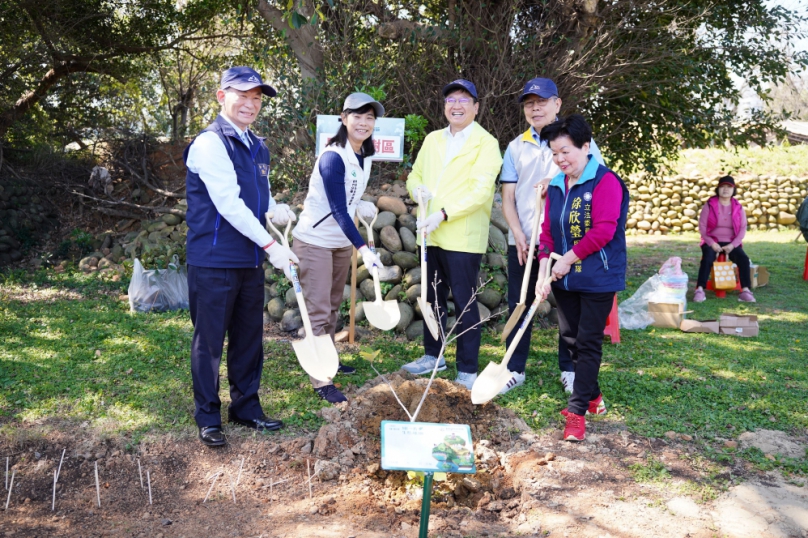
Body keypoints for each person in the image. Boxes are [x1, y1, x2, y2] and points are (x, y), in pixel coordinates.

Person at [184, 66, 299, 447]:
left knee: (250, 337)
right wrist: (272, 246)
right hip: (214, 259)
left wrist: (275, 207)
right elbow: (229, 204)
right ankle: (208, 417)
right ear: (221, 96)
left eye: (257, 97)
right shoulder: (209, 143)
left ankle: (246, 408)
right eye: (242, 95)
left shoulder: (257, 145)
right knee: (210, 341)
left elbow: (257, 199)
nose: (250, 103)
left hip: (249, 259)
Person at [500, 77, 605, 396]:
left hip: (566, 245)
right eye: (529, 103)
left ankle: (570, 370)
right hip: (525, 241)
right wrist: (517, 233)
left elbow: (595, 183)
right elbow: (507, 196)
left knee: (569, 309)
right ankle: (513, 368)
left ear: (557, 104)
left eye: (541, 101)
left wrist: (557, 178)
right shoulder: (516, 146)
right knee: (520, 302)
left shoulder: (579, 140)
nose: (535, 108)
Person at [401, 79, 503, 389]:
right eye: (450, 100)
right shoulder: (433, 139)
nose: (456, 105)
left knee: (464, 302)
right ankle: (434, 356)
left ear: (476, 107)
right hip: (430, 236)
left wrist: (443, 214)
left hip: (462, 237)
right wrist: (414, 188)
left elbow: (480, 192)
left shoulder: (487, 144)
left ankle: (467, 370)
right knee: (431, 299)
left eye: (463, 100)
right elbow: (416, 173)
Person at [535, 114, 628, 442]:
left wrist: (568, 260)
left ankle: (576, 413)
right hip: (565, 279)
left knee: (587, 342)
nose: (560, 159)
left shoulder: (606, 182)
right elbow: (547, 234)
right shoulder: (557, 185)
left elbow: (604, 230)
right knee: (572, 340)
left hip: (598, 276)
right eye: (554, 153)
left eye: (566, 152)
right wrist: (544, 271)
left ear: (586, 147)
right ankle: (594, 398)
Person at [291, 92, 386, 403]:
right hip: (315, 241)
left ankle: (327, 356)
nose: (364, 122)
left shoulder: (364, 154)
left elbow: (351, 198)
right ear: (344, 118)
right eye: (357, 115)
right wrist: (366, 249)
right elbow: (337, 208)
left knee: (333, 305)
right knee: (318, 309)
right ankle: (321, 379)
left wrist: (364, 204)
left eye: (370, 117)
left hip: (339, 242)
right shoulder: (333, 156)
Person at [693, 175, 755, 303]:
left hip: (731, 241)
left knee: (743, 259)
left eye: (729, 187)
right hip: (712, 240)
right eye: (722, 187)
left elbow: (743, 228)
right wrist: (711, 243)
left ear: (733, 190)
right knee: (707, 258)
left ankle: (745, 290)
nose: (725, 189)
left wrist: (733, 245)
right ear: (718, 189)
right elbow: (702, 226)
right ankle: (700, 289)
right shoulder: (709, 205)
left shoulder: (738, 207)